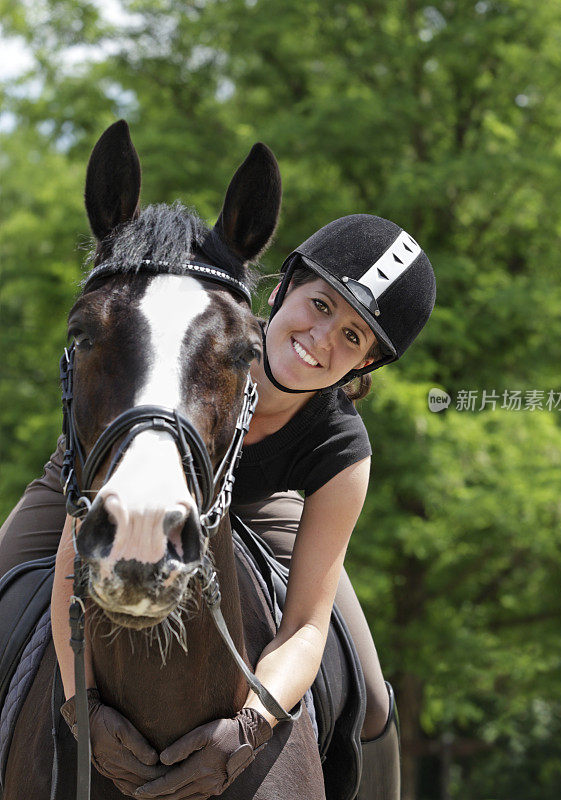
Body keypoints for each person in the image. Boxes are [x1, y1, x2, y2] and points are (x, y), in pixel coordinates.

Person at [0, 213, 435, 799]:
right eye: (322, 305)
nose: (322, 339)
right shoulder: (195, 339)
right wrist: (81, 708)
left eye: (353, 337)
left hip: (262, 504)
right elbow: (71, 566)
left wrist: (250, 726)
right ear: (282, 288)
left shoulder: (343, 449)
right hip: (115, 474)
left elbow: (306, 625)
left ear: (364, 366)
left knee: (375, 697)